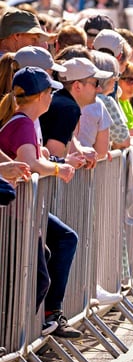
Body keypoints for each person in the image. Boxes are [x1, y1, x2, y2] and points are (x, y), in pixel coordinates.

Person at [0, 67, 80, 338]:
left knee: (50, 256)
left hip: (23, 211)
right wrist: (59, 169)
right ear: (39, 96)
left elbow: (30, 160)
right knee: (31, 278)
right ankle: (16, 337)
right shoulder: (21, 122)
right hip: (15, 212)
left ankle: (32, 328)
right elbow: (30, 164)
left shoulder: (23, 122)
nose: (52, 98)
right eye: (50, 92)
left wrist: (54, 162)